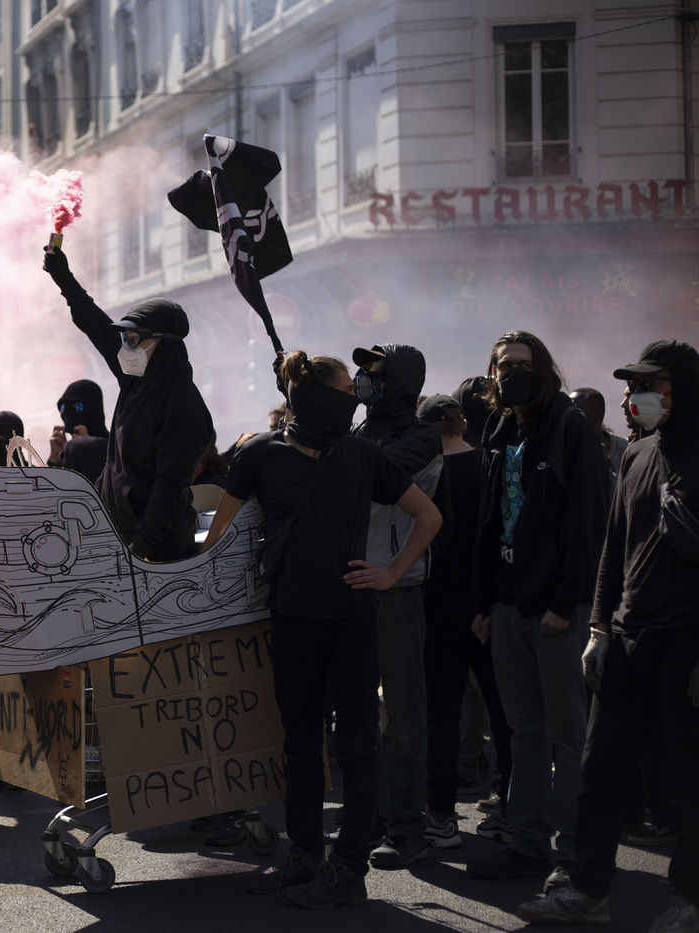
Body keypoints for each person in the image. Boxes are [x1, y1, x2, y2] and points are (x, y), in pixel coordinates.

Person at [203, 350, 441, 909]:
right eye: (346, 394)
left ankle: (349, 868)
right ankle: (305, 858)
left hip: (351, 622)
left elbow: (429, 516)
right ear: (313, 398)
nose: (355, 402)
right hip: (292, 620)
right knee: (301, 747)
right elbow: (218, 538)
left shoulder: (362, 455)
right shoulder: (260, 454)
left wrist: (390, 574)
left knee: (356, 746)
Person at [518, 340, 699, 931]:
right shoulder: (638, 454)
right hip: (627, 637)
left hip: (687, 641)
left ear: (682, 388)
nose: (632, 398)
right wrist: (599, 628)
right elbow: (612, 549)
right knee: (599, 771)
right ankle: (588, 890)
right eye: (629, 386)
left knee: (684, 778)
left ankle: (691, 899)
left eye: (648, 385)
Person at [466, 331, 609, 890]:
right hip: (505, 605)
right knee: (522, 729)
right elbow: (489, 520)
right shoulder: (500, 430)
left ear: (544, 369)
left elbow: (588, 524)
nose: (511, 373)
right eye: (503, 365)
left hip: (555, 610)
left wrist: (564, 603)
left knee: (568, 734)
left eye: (523, 364)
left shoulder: (570, 429)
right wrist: (482, 602)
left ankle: (574, 851)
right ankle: (526, 843)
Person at [43, 246, 213, 561]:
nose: (124, 348)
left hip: (159, 553)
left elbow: (169, 488)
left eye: (133, 339)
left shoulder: (183, 407)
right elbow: (94, 323)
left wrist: (140, 550)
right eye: (124, 338)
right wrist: (62, 276)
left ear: (163, 344)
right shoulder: (135, 381)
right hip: (119, 535)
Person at [349, 344, 444, 869]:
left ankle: (409, 827)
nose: (365, 379)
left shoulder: (422, 437)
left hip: (398, 589)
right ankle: (371, 816)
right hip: (354, 585)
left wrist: (329, 426)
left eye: (375, 372)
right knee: (358, 712)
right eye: (362, 371)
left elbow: (377, 479)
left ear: (400, 381)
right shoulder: (362, 431)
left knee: (402, 716)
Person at [418, 395, 513, 852]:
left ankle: (440, 816)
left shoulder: (424, 474)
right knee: (504, 709)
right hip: (488, 605)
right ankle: (509, 808)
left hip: (437, 605)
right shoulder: (490, 464)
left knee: (441, 712)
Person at [47, 379, 110, 483]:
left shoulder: (114, 450)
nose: (67, 413)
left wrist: (88, 449)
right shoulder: (67, 453)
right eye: (63, 408)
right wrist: (55, 459)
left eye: (77, 407)